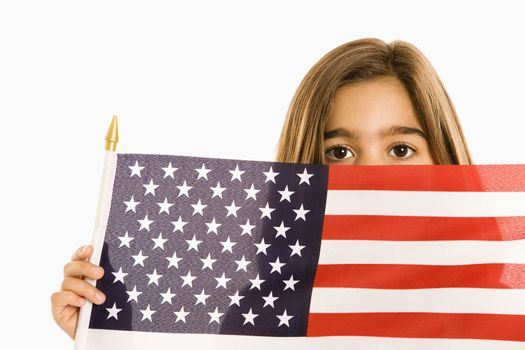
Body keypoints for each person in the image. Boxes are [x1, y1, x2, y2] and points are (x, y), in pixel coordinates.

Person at [51, 37, 473, 339]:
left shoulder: (501, 308)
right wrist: (103, 333)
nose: (371, 175)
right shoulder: (265, 315)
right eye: (339, 152)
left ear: (444, 158)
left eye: (401, 149)